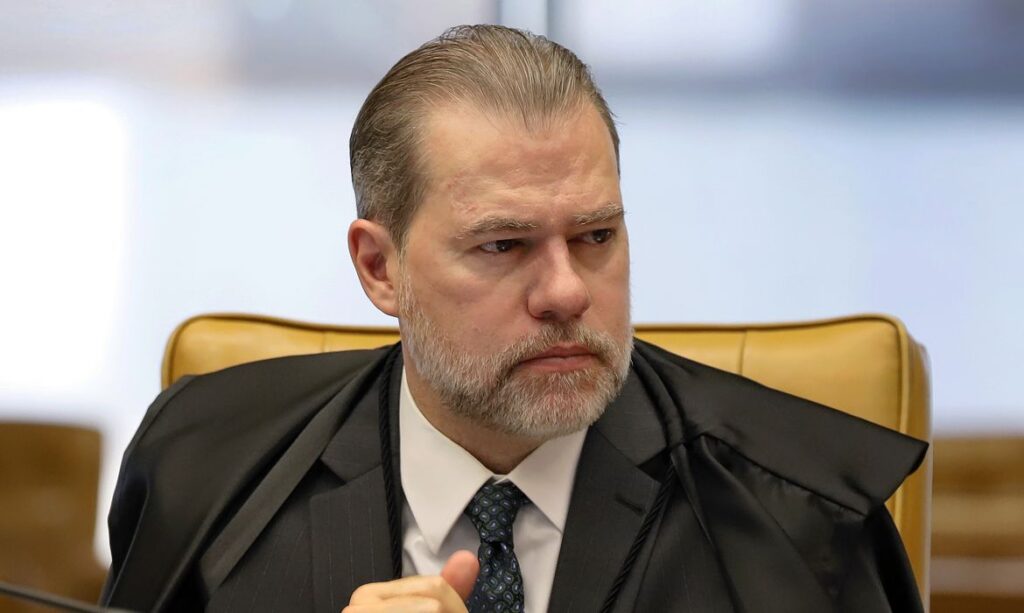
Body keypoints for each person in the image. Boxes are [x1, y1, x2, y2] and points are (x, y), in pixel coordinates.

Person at [101, 25, 927, 613]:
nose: (567, 292)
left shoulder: (796, 516)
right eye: (503, 244)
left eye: (596, 236)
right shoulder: (205, 467)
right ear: (380, 268)